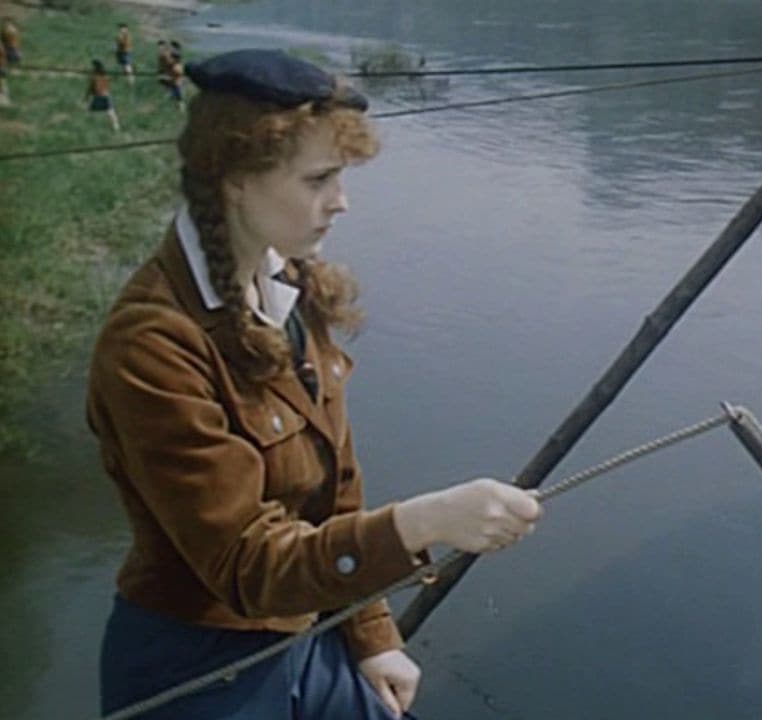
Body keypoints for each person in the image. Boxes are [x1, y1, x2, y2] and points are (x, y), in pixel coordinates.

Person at [88, 49, 542, 719]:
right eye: (319, 179)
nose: (342, 202)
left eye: (341, 176)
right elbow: (247, 565)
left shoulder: (290, 289)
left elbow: (337, 489)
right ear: (235, 178)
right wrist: (429, 521)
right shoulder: (153, 343)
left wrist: (370, 636)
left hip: (309, 632)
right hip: (195, 666)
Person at [86, 59, 120, 132]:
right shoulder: (104, 74)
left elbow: (91, 87)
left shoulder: (94, 76)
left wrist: (87, 96)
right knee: (110, 113)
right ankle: (116, 128)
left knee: (91, 112)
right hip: (106, 95)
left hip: (98, 96)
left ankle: (91, 127)